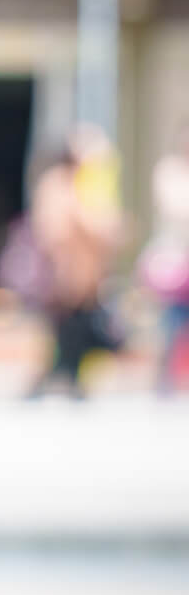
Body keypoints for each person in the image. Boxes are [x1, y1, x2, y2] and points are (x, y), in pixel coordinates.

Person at [24, 124, 127, 399]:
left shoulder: (84, 183)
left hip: (82, 277)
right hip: (64, 275)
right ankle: (58, 379)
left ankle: (67, 379)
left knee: (71, 330)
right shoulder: (59, 184)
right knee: (69, 329)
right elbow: (66, 228)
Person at [140, 121, 189, 395]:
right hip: (177, 261)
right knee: (172, 323)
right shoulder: (170, 172)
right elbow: (177, 209)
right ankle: (164, 382)